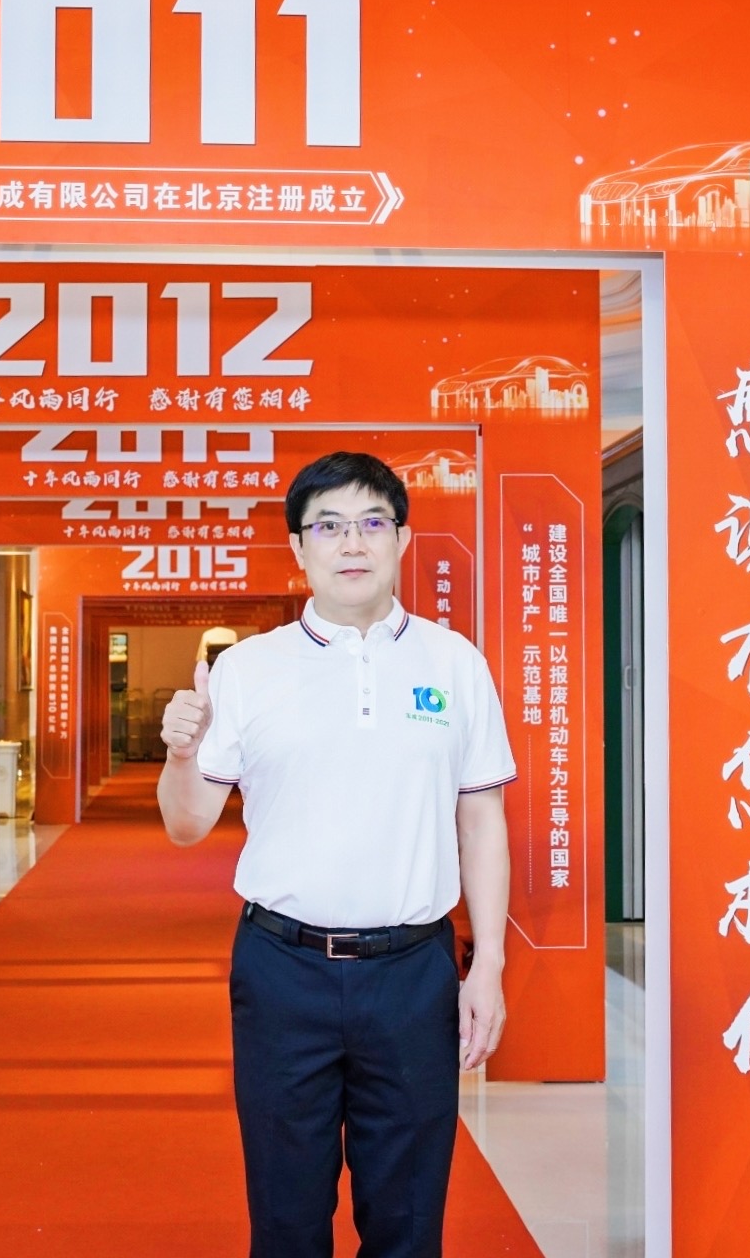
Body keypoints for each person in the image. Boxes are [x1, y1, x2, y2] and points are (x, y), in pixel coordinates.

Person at [157, 451, 514, 1258]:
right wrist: (181, 755)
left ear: (401, 539)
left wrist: (486, 964)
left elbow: (481, 817)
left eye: (371, 522)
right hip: (281, 970)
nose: (351, 543)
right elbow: (186, 825)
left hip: (414, 971)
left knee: (408, 1217)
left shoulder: (454, 663)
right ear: (297, 547)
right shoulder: (247, 669)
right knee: (285, 1215)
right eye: (328, 526)